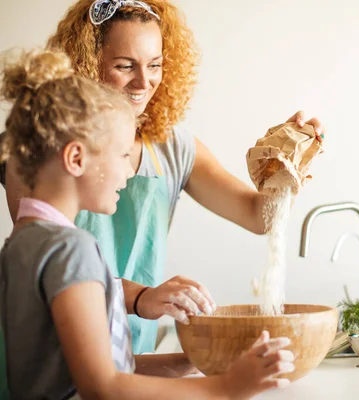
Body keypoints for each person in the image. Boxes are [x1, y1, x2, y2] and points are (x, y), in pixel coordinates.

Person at [1, 0, 326, 354]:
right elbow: (44, 261)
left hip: (131, 354)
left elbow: (257, 216)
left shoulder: (173, 146)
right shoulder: (40, 145)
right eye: (125, 66)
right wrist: (142, 297)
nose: (144, 81)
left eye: (155, 65)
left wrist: (286, 163)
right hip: (49, 355)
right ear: (88, 63)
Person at [0, 48, 294, 399]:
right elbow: (103, 386)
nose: (129, 170)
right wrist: (227, 387)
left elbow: (82, 371)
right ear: (76, 158)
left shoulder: (23, 242)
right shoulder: (71, 249)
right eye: (124, 155)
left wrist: (194, 362)